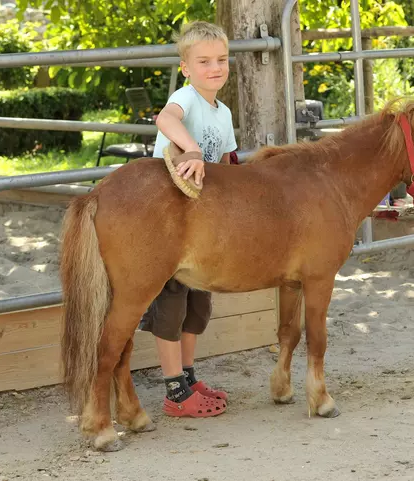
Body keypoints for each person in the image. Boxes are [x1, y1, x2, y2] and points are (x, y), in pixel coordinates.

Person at [139, 21, 237, 418]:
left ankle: (189, 376)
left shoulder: (224, 111)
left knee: (199, 303)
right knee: (172, 300)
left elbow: (229, 164)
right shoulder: (187, 98)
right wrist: (193, 149)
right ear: (186, 67)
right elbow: (165, 120)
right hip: (172, 216)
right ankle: (174, 389)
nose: (214, 68)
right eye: (204, 61)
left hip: (204, 221)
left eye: (221, 60)